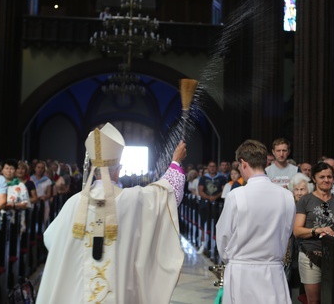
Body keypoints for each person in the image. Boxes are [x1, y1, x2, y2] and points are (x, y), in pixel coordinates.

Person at [36, 123, 186, 304]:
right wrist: (175, 162)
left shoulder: (73, 203)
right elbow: (166, 194)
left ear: (92, 168)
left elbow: (51, 240)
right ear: (118, 169)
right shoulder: (132, 200)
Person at [216, 139, 295, 304]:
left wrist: (230, 259)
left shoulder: (236, 195)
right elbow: (287, 233)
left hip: (241, 273)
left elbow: (223, 237)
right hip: (273, 272)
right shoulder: (287, 196)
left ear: (243, 163)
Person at [293, 162, 334, 304]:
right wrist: (317, 230)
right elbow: (297, 231)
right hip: (310, 255)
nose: (326, 180)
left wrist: (333, 237)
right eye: (322, 177)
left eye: (329, 177)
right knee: (314, 301)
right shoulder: (305, 200)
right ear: (314, 178)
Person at [197, 161, 227, 254]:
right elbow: (200, 190)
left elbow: (223, 190)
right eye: (210, 166)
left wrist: (215, 197)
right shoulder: (203, 178)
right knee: (203, 223)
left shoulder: (221, 178)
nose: (212, 168)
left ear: (216, 167)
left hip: (217, 203)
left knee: (217, 224)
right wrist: (208, 197)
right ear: (208, 168)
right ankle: (203, 244)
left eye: (214, 166)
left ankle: (217, 246)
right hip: (205, 204)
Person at [31, 160, 52, 225]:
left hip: (43, 203)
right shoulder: (30, 179)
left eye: (42, 168)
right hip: (32, 203)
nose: (40, 169)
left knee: (42, 222)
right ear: (35, 168)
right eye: (38, 167)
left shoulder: (47, 180)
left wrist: (44, 197)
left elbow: (49, 194)